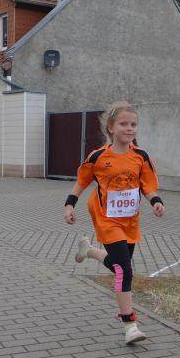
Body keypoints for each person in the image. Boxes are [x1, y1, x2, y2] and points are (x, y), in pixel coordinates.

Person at [64, 101, 165, 344]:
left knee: (119, 266)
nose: (129, 129)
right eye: (123, 124)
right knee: (124, 270)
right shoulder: (98, 156)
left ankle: (89, 251)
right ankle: (130, 324)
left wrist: (155, 201)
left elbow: (147, 185)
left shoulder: (141, 156)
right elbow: (82, 181)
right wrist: (69, 204)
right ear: (111, 128)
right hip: (106, 218)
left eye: (133, 124)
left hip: (130, 220)